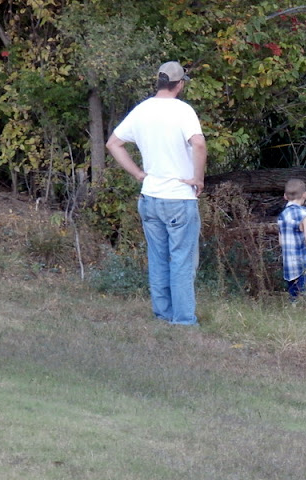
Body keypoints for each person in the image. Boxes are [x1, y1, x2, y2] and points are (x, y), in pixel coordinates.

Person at [106, 61, 207, 325]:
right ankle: (183, 320)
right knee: (182, 260)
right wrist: (198, 179)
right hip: (179, 197)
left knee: (158, 259)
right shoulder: (183, 111)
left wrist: (138, 174)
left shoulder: (142, 110)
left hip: (150, 197)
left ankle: (163, 315)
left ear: (159, 81)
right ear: (180, 84)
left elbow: (113, 144)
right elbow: (198, 144)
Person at [277, 178, 306, 301]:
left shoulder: (282, 216)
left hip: (289, 267)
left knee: (295, 300)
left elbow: (281, 242)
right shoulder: (304, 216)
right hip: (305, 266)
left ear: (285, 196)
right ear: (305, 195)